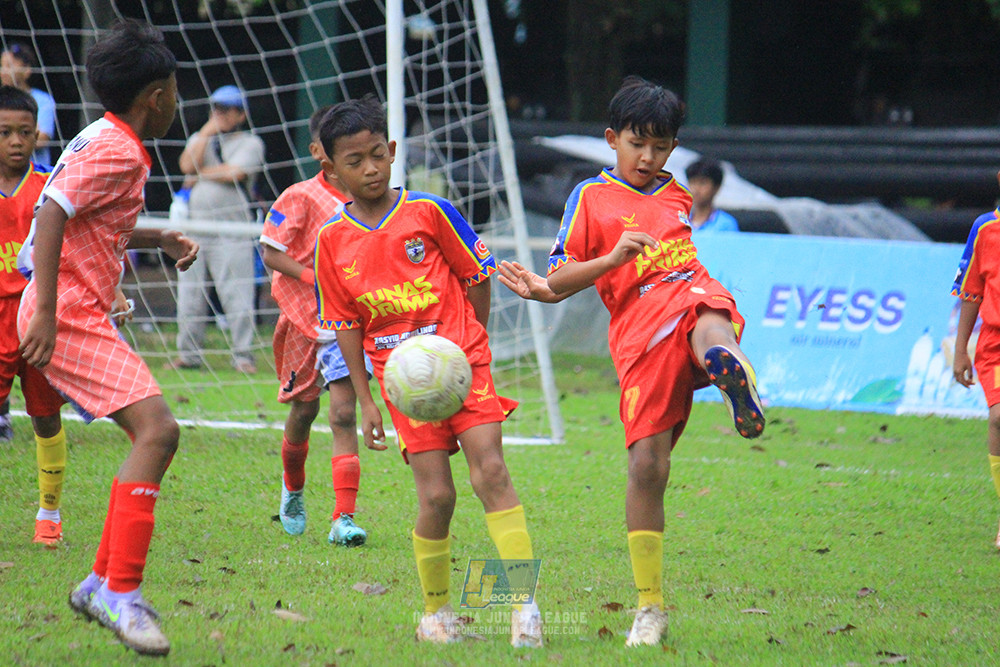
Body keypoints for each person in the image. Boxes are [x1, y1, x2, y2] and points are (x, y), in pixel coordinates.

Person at [496, 76, 765, 647]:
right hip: (639, 331)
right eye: (638, 144)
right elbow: (561, 276)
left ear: (673, 149)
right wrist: (607, 260)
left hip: (686, 292)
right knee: (648, 467)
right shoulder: (590, 197)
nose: (648, 157)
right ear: (612, 139)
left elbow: (679, 265)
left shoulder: (676, 195)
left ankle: (733, 372)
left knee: (710, 312)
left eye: (661, 146)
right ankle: (651, 608)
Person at [313, 95, 543, 647]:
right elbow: (345, 324)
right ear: (331, 170)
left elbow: (477, 275)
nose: (370, 168)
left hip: (462, 362)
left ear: (392, 152)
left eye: (377, 154)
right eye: (355, 161)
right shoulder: (331, 241)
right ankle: (438, 614)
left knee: (491, 472)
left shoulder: (430, 213)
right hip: (403, 385)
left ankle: (522, 608)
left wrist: (471, 348)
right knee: (437, 497)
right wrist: (366, 401)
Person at [17, 19, 198, 656]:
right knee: (158, 431)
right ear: (156, 96)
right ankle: (119, 591)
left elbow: (85, 213)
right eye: (175, 91)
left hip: (71, 307)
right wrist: (43, 310)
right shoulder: (120, 148)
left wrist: (157, 238)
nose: (179, 102)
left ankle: (100, 583)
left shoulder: (103, 133)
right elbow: (54, 212)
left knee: (151, 432)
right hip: (64, 311)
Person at [260, 105, 371, 545]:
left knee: (344, 413)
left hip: (349, 322)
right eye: (349, 154)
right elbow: (270, 252)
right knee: (304, 411)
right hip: (305, 320)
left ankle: (344, 517)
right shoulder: (300, 196)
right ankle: (293, 487)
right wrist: (313, 277)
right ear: (321, 153)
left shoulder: (373, 197)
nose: (362, 164)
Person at [0, 84, 68, 547]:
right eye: (5, 132)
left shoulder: (51, 189)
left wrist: (115, 293)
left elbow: (78, 245)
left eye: (25, 132)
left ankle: (49, 512)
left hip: (38, 315)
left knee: (45, 416)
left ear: (37, 135)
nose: (16, 141)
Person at [172, 84, 264, 373]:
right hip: (196, 229)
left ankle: (243, 356)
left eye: (228, 109)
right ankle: (188, 355)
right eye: (217, 108)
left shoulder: (251, 142)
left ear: (241, 114)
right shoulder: (201, 138)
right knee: (190, 295)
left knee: (237, 294)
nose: (221, 114)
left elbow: (235, 173)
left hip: (232, 229)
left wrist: (200, 175)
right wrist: (206, 133)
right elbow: (186, 165)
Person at [951, 169, 1000, 549]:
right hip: (995, 345)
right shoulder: (986, 230)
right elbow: (971, 293)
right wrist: (961, 348)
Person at [0, 42, 56, 167]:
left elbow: (42, 138)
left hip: (34, 175)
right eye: (1, 66)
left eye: (9, 66)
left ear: (27, 70)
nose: (3, 71)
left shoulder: (43, 100)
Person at [684, 157, 739, 233]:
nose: (696, 190)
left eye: (702, 183)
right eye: (693, 183)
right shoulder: (678, 221)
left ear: (716, 187)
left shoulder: (726, 224)